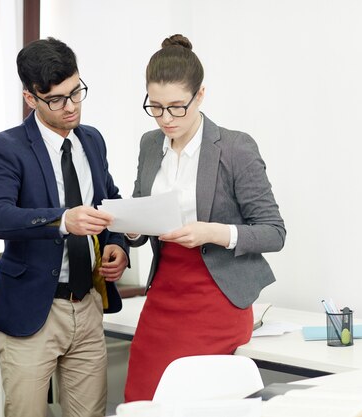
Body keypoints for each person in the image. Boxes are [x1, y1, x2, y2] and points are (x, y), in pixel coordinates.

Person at [124, 34, 286, 401]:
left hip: (217, 298)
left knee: (191, 401)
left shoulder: (234, 147)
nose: (166, 118)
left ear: (200, 96)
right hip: (164, 295)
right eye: (156, 107)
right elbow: (142, 206)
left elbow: (274, 232)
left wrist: (212, 232)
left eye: (177, 106)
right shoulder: (151, 145)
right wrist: (131, 232)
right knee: (142, 400)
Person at [0, 37, 129, 417]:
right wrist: (62, 220)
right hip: (33, 312)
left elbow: (107, 203)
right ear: (31, 98)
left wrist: (118, 246)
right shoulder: (6, 147)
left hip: (89, 303)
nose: (71, 106)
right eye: (57, 99)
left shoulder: (92, 140)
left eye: (76, 92)